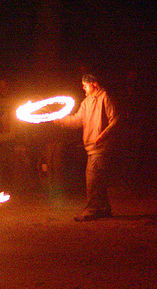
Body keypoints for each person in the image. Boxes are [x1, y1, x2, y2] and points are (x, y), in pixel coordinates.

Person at [55, 73, 120, 221]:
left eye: (85, 85)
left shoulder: (105, 97)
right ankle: (104, 209)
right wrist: (60, 120)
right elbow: (77, 120)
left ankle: (92, 210)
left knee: (92, 179)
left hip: (101, 147)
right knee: (98, 179)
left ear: (94, 84)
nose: (83, 87)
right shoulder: (86, 102)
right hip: (91, 147)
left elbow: (115, 119)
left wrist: (102, 135)